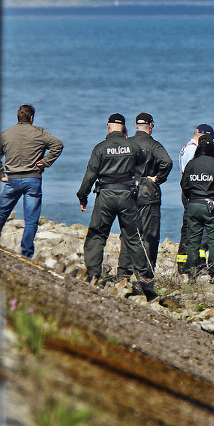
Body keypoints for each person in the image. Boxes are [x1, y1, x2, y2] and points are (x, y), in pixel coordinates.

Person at [76, 113, 156, 300]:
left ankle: (94, 275)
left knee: (97, 235)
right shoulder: (134, 147)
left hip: (105, 196)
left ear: (109, 126)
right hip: (127, 195)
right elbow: (141, 163)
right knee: (133, 237)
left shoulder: (100, 148)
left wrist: (82, 196)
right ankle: (145, 280)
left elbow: (90, 175)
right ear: (124, 127)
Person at [0, 104, 64, 259]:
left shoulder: (6, 134)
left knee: (1, 214)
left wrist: (1, 174)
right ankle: (26, 254)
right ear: (32, 118)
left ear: (18, 117)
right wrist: (45, 162)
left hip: (12, 180)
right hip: (32, 180)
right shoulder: (39, 132)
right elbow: (58, 145)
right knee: (31, 220)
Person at [117, 113, 172, 278]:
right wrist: (157, 178)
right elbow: (167, 162)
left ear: (135, 125)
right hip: (148, 193)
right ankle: (146, 274)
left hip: (127, 191)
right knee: (149, 234)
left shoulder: (127, 144)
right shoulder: (154, 145)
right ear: (151, 125)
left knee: (128, 232)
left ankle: (123, 273)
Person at [180, 134, 214, 283]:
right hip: (210, 206)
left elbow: (184, 185)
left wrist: (191, 199)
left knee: (193, 241)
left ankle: (191, 275)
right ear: (212, 146)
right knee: (213, 242)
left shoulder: (191, 164)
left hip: (194, 204)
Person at [176, 123, 214, 273]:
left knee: (188, 226)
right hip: (197, 194)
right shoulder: (194, 149)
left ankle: (183, 263)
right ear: (202, 136)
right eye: (209, 139)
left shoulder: (186, 147)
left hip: (188, 192)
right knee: (199, 228)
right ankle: (199, 264)